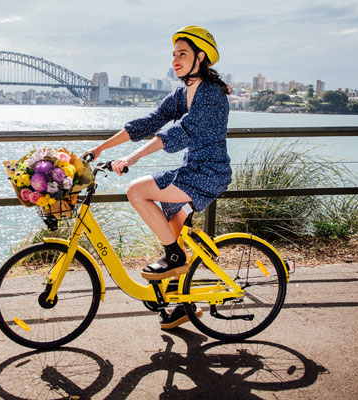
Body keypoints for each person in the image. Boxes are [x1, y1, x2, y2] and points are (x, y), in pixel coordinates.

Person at [84, 26, 232, 329]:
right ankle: (178, 303)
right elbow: (148, 123)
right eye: (174, 54)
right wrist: (100, 148)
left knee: (137, 191)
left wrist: (133, 157)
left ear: (200, 57)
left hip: (208, 173)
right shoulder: (182, 93)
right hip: (193, 171)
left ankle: (175, 257)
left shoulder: (211, 95)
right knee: (173, 233)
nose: (175, 60)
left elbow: (179, 132)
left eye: (183, 54)